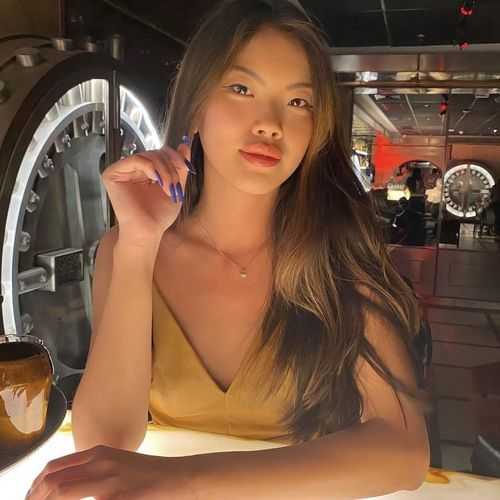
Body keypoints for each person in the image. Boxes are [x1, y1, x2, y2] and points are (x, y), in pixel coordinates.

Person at [26, 1, 432, 498]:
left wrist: (182, 480)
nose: (270, 123)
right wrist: (138, 243)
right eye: (242, 89)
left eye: (298, 102)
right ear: (196, 105)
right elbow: (105, 439)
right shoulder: (128, 248)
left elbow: (404, 451)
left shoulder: (338, 253)